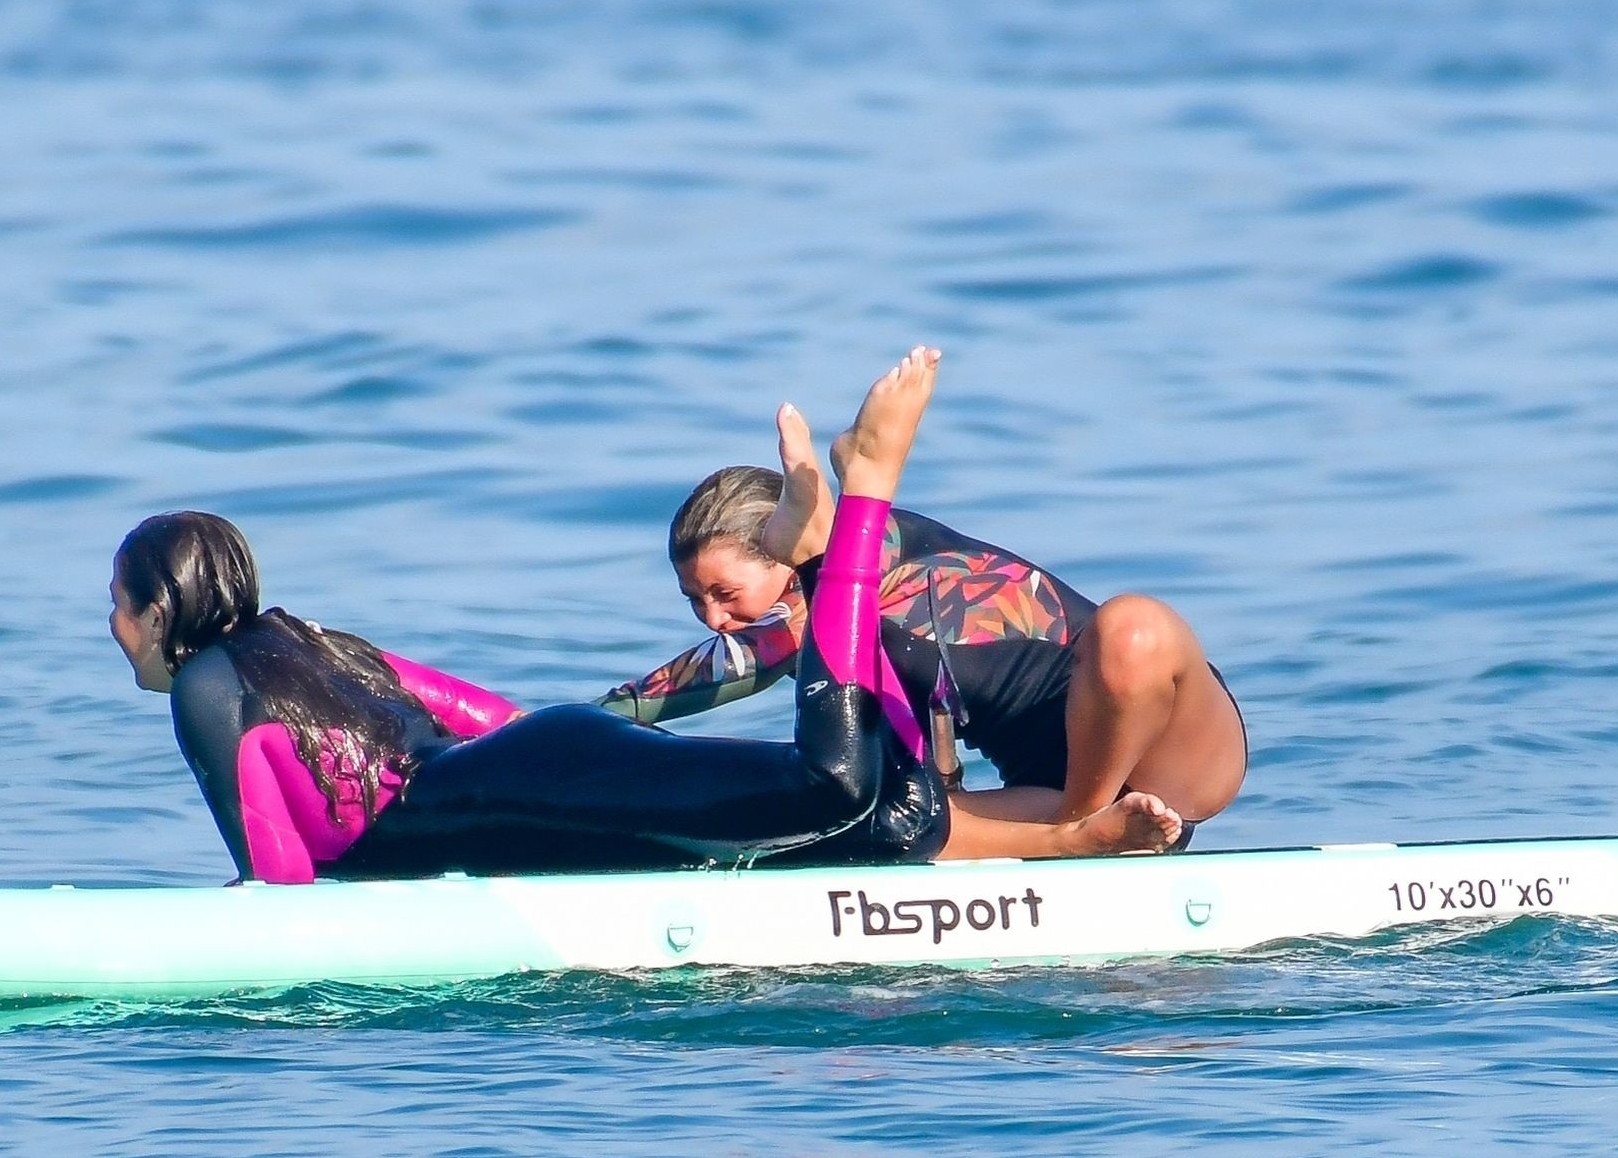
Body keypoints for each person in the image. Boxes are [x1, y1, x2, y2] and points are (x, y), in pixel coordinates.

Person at [110, 347, 981, 884]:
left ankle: (857, 504)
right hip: (539, 764)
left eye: (117, 608)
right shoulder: (312, 643)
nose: (113, 630)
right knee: (867, 814)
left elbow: (276, 877)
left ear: (160, 613)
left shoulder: (205, 686)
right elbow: (492, 718)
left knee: (833, 789)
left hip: (526, 788)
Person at [597, 379, 1242, 859]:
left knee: (1132, 629)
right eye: (694, 600)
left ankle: (1083, 832)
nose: (714, 618)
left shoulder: (868, 578)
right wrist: (588, 724)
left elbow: (741, 660)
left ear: (780, 554)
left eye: (724, 592)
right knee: (882, 818)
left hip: (1169, 752)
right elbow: (722, 667)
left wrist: (593, 727)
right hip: (1044, 793)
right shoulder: (815, 622)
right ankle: (1081, 833)